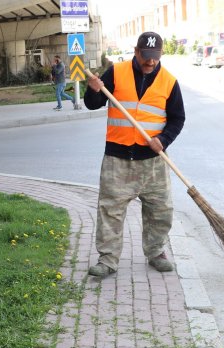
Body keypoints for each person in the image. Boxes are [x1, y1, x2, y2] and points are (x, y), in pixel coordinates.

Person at [82, 31, 186, 277]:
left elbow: (177, 119)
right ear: (136, 52)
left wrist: (163, 139)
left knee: (160, 210)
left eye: (155, 57)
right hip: (117, 158)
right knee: (110, 210)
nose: (150, 62)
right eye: (146, 56)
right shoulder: (116, 73)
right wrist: (94, 89)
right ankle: (108, 260)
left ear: (160, 54)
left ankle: (156, 251)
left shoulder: (169, 82)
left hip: (153, 161)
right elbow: (93, 103)